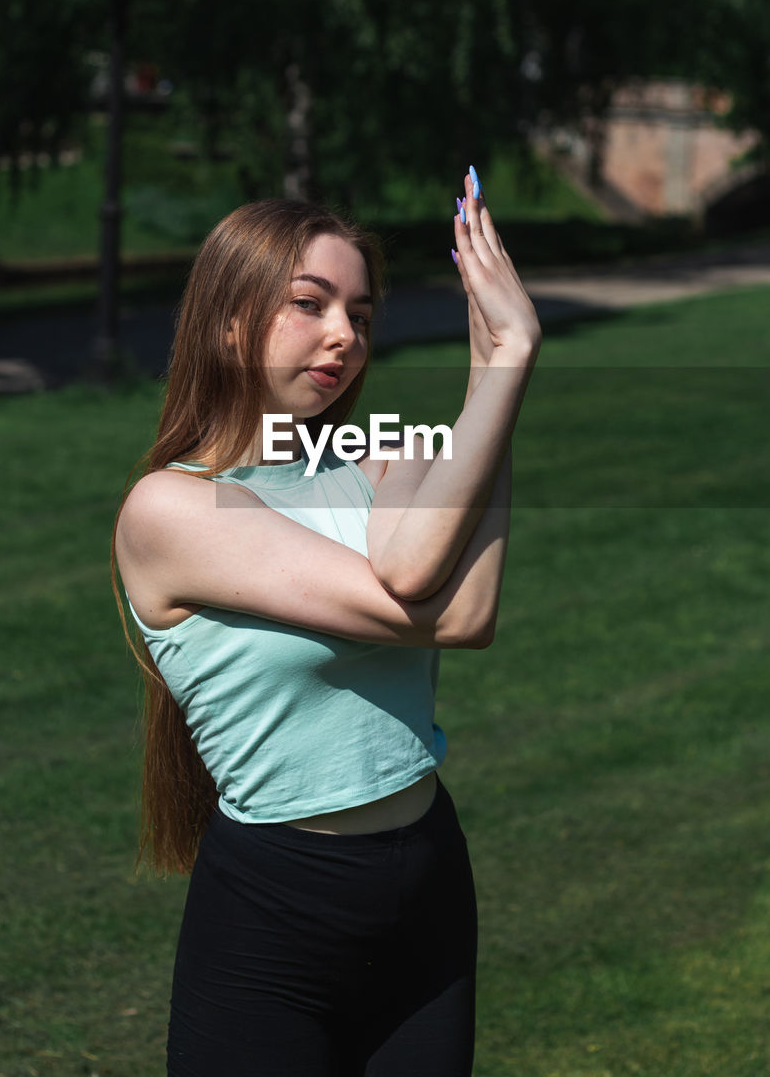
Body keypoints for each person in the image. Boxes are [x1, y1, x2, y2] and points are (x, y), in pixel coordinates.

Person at [113, 169, 541, 1077]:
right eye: (309, 304)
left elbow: (466, 612)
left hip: (427, 879)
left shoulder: (379, 453)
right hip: (276, 912)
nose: (344, 334)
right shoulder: (171, 510)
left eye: (361, 312)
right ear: (230, 320)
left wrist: (486, 389)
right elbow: (417, 578)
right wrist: (504, 363)